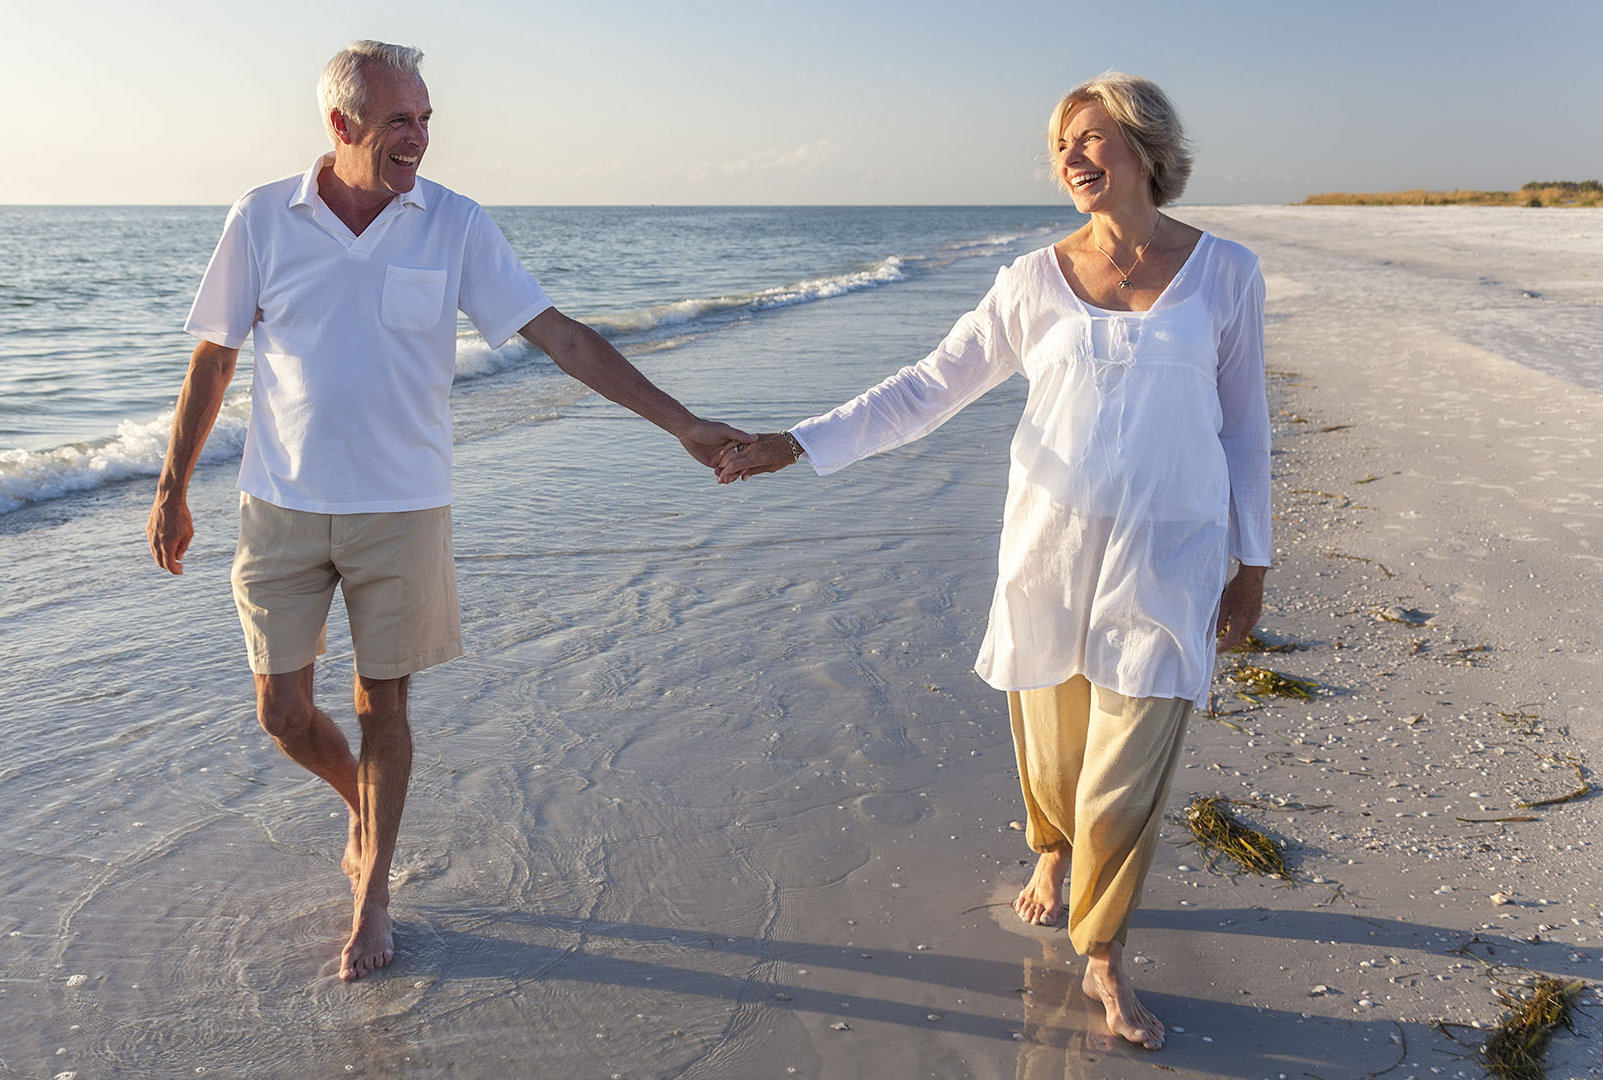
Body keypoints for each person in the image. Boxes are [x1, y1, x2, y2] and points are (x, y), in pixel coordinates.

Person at [147, 40, 747, 982]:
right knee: (283, 712)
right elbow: (215, 358)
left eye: (426, 119)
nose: (419, 138)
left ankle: (374, 890)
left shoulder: (454, 224)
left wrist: (677, 423)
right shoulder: (262, 218)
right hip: (280, 506)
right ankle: (362, 804)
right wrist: (173, 486)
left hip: (404, 511)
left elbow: (561, 338)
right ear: (341, 126)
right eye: (399, 121)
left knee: (384, 704)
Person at [717, 72, 1270, 1050]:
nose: (1071, 158)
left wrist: (1251, 562)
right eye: (1061, 144)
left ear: (1146, 149)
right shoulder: (1030, 280)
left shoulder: (1225, 274)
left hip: (1169, 555)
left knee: (1126, 766)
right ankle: (1049, 850)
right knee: (1054, 754)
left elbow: (1244, 430)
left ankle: (1102, 955)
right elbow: (930, 386)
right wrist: (797, 441)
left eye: (1090, 139)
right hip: (1051, 552)